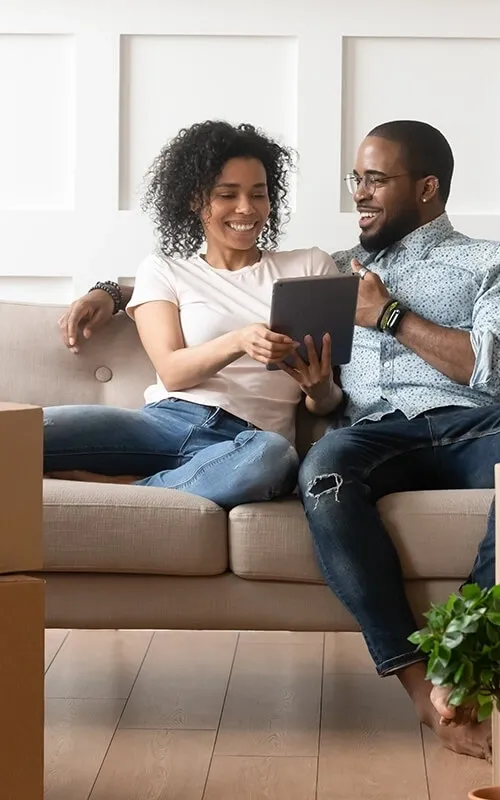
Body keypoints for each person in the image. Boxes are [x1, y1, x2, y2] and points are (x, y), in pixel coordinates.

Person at [58, 119, 499, 759]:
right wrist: (108, 289)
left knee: (285, 459)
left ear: (428, 188)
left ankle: (467, 663)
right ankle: (418, 685)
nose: (360, 195)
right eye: (357, 180)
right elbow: (210, 276)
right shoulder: (339, 269)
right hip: (376, 435)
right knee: (323, 474)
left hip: (473, 422)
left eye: (375, 181)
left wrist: (389, 315)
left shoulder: (486, 262)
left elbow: (488, 365)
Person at [45, 120, 342, 509]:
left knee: (275, 459)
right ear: (194, 200)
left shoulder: (311, 267)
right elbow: (173, 370)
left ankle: (127, 490)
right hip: (163, 423)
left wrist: (319, 393)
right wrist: (239, 340)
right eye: (227, 195)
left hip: (249, 440)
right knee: (21, 432)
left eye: (259, 194)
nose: (246, 209)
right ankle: (175, 485)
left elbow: (327, 396)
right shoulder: (165, 269)